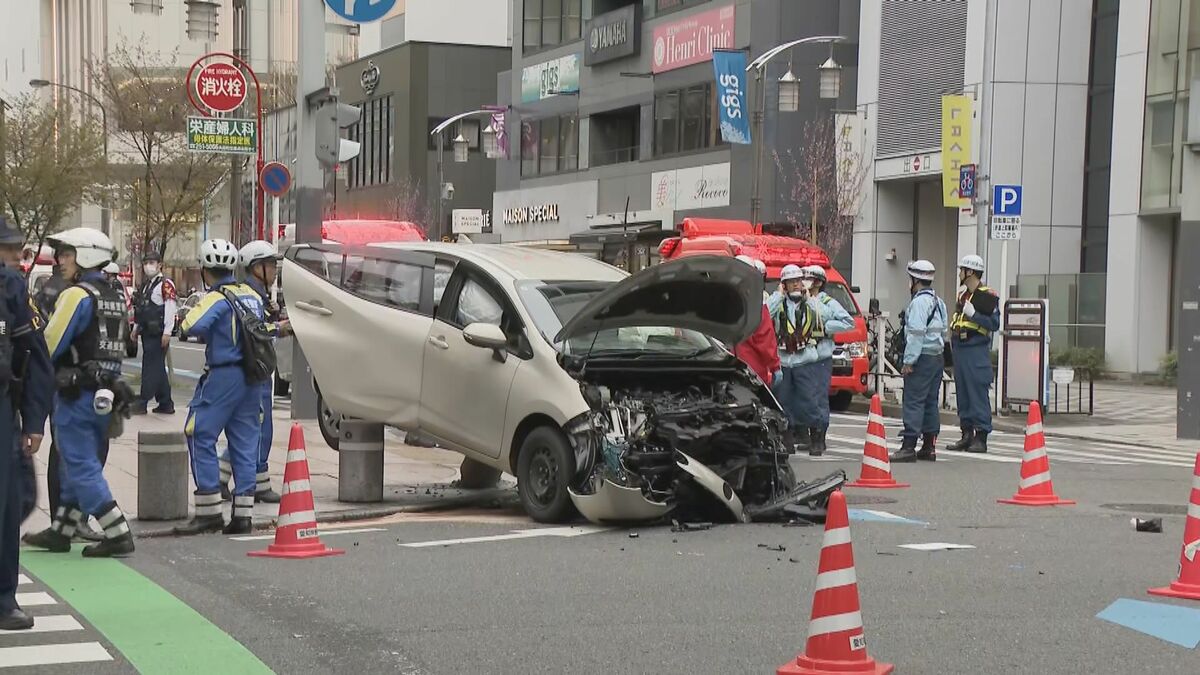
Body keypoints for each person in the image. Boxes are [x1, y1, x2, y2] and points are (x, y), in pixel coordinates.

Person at [23, 228, 135, 557]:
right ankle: (61, 531)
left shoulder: (76, 295)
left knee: (79, 463)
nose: (60, 260)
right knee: (78, 463)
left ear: (86, 256)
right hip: (107, 394)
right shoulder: (114, 294)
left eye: (67, 254)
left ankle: (117, 532)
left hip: (77, 394)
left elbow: (49, 345)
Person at [174, 239, 265, 536]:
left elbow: (190, 325)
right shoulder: (252, 295)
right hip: (253, 377)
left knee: (198, 433)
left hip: (224, 377)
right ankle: (243, 516)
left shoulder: (217, 297)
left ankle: (209, 511)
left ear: (204, 270)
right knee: (245, 441)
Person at [0, 218, 53, 630]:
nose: (17, 256)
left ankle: (4, 599)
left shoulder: (11, 288)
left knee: (7, 505)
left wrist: (33, 422)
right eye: (10, 248)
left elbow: (34, 355)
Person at [216, 240, 291, 504]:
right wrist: (280, 327)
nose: (274, 271)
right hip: (253, 371)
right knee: (256, 429)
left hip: (256, 370)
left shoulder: (256, 295)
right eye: (270, 265)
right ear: (256, 267)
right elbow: (256, 331)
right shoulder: (249, 297)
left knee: (252, 430)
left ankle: (234, 479)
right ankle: (244, 483)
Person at [791, 265, 855, 456]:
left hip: (820, 358)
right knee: (803, 397)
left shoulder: (827, 302)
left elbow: (848, 322)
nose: (804, 283)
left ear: (818, 282)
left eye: (808, 279)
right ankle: (808, 434)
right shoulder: (800, 300)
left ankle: (819, 438)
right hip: (802, 356)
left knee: (818, 397)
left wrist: (826, 327)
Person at [890, 260, 948, 463]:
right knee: (931, 401)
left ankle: (908, 446)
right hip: (937, 358)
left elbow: (915, 334)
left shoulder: (917, 303)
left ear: (915, 280)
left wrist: (909, 361)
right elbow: (944, 330)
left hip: (921, 358)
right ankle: (929, 446)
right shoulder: (939, 302)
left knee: (913, 400)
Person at [947, 254, 1001, 453]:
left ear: (970, 272)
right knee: (963, 392)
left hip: (976, 348)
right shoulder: (962, 295)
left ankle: (981, 436)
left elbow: (994, 324)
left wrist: (974, 314)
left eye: (962, 270)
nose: (959, 274)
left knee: (977, 391)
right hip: (960, 348)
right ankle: (966, 433)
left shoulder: (987, 296)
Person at [767, 264, 817, 453]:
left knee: (808, 400)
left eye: (798, 281)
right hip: (784, 361)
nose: (796, 284)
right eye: (791, 282)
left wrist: (808, 297)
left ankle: (815, 439)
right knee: (783, 401)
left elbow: (822, 315)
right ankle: (787, 440)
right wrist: (778, 295)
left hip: (805, 360)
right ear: (784, 285)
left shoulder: (810, 302)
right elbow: (765, 314)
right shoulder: (778, 302)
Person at [131, 251, 176, 415]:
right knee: (157, 368)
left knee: (150, 367)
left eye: (152, 262)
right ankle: (165, 403)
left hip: (158, 333)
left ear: (160, 265)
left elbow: (170, 308)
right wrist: (135, 328)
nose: (148, 266)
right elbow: (141, 308)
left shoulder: (166, 284)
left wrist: (167, 332)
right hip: (147, 332)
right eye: (146, 263)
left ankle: (143, 401)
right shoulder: (146, 285)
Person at [732, 255, 780, 387]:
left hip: (724, 366)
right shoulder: (757, 303)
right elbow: (764, 338)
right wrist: (775, 366)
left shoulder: (723, 299)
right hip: (752, 370)